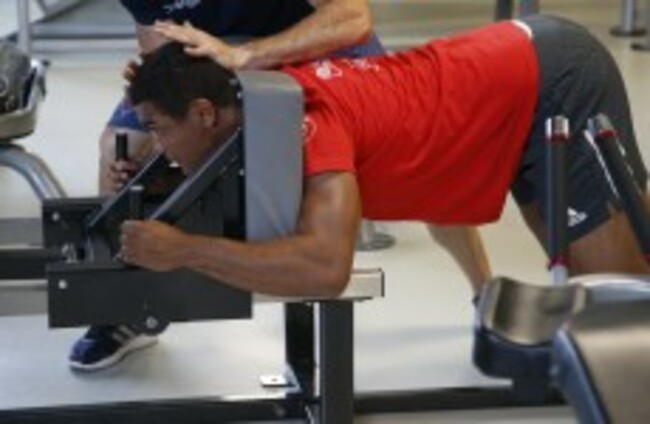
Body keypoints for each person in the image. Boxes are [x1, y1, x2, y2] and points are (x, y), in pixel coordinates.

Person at [73, 0, 493, 372]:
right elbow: (160, 45)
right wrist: (151, 83)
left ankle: (484, 293)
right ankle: (127, 305)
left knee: (421, 160)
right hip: (216, 60)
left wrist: (246, 56)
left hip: (316, 40)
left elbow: (351, 16)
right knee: (121, 145)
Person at [120, 15, 649, 303]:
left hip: (554, 76)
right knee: (594, 285)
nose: (157, 145)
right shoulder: (251, 105)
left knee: (621, 294)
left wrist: (185, 250)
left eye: (158, 129)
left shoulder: (305, 125)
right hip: (507, 92)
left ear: (205, 113)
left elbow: (326, 268)